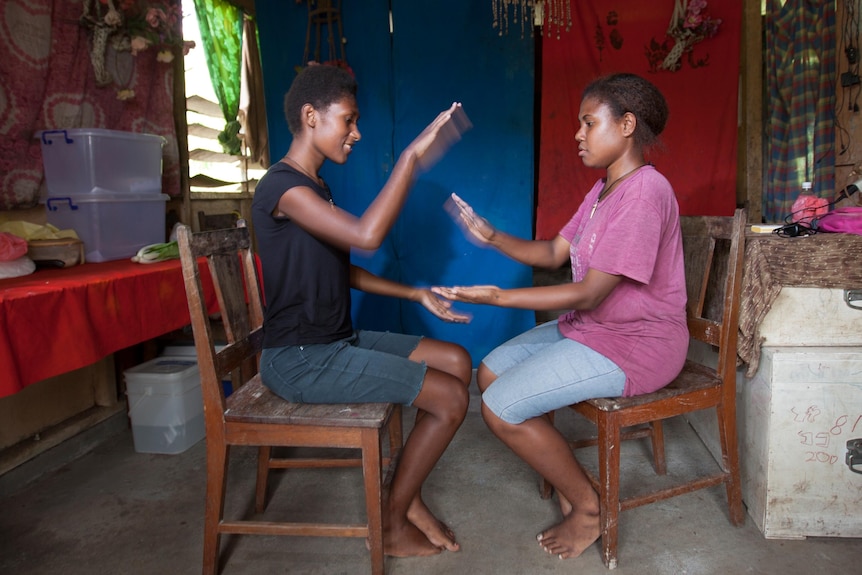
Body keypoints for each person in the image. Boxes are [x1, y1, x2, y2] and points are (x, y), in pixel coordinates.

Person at [432, 73, 687, 560]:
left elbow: (590, 294)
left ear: (628, 125)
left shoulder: (645, 193)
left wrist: (497, 298)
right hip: (594, 330)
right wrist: (491, 237)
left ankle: (590, 508)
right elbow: (553, 252)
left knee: (500, 406)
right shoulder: (602, 192)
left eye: (590, 123)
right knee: (489, 373)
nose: (578, 134)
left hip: (640, 343)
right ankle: (566, 471)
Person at [251, 64, 473, 558]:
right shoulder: (282, 189)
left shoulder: (315, 187)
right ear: (311, 116)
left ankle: (404, 495)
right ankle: (393, 520)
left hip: (334, 341)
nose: (357, 133)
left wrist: (412, 294)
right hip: (299, 357)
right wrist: (410, 158)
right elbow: (368, 236)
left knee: (456, 361)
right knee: (451, 399)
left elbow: (341, 268)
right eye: (348, 120)